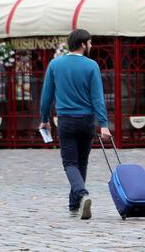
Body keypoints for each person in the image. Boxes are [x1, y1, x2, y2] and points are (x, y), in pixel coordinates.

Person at [39, 29, 111, 220]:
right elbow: (97, 98)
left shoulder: (55, 64)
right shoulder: (92, 66)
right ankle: (74, 205)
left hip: (66, 121)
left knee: (70, 163)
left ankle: (81, 194)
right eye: (90, 42)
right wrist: (103, 124)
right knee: (82, 162)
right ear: (82, 44)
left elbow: (46, 96)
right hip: (86, 120)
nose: (91, 46)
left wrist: (45, 119)